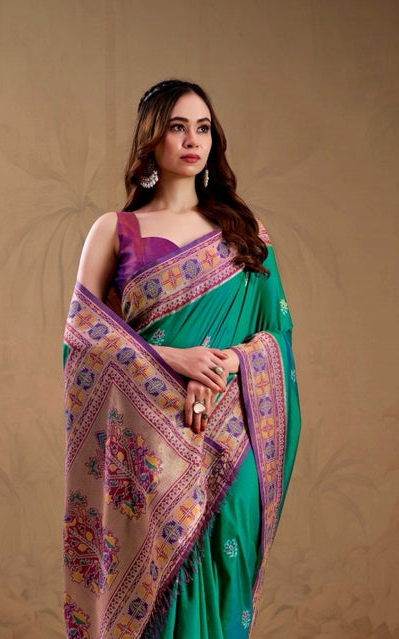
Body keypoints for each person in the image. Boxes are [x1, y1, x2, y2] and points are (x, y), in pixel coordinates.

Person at [62, 79, 301, 639]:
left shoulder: (245, 235)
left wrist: (223, 365)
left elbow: (277, 339)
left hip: (231, 447)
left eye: (203, 128)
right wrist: (175, 359)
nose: (193, 140)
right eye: (177, 127)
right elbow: (83, 341)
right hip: (149, 455)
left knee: (221, 591)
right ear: (153, 139)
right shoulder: (115, 230)